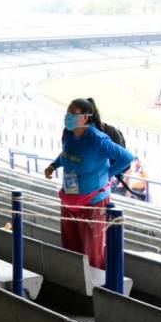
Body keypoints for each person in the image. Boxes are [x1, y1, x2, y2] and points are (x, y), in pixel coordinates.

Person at [44, 98, 134, 269]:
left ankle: (92, 285)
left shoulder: (98, 140)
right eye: (67, 112)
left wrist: (108, 174)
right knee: (70, 244)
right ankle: (75, 278)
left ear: (85, 118)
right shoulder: (68, 134)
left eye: (73, 113)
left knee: (91, 250)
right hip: (69, 197)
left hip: (93, 202)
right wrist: (53, 165)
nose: (68, 116)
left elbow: (126, 157)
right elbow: (65, 154)